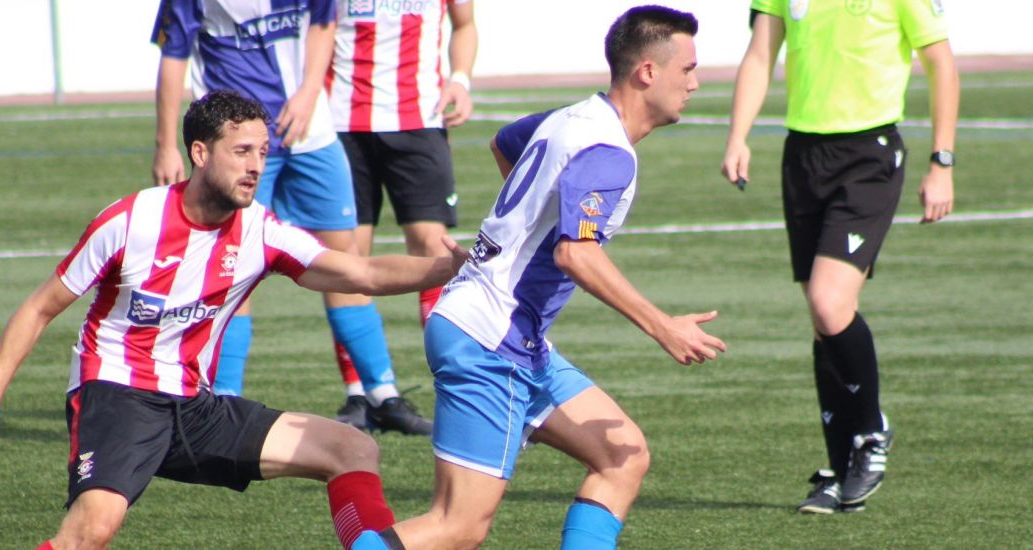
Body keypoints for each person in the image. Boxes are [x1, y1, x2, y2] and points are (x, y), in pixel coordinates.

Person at [0, 91, 467, 550]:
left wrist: (450, 268)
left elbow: (362, 273)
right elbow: (40, 307)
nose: (256, 166)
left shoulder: (261, 230)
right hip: (118, 393)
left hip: (195, 407)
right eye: (241, 151)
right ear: (199, 153)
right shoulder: (130, 220)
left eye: (262, 152)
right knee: (92, 530)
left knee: (352, 448)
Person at [351, 7, 725, 549]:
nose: (694, 83)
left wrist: (521, 232)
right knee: (457, 527)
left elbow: (505, 142)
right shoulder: (608, 152)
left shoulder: (574, 117)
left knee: (622, 456)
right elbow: (576, 255)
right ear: (648, 72)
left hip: (508, 335)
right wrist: (662, 325)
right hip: (490, 339)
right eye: (687, 69)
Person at [150, 0, 434, 435]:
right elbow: (174, 56)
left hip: (310, 135)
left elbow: (322, 23)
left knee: (345, 259)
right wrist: (166, 144)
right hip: (235, 146)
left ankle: (382, 395)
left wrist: (307, 92)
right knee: (230, 265)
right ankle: (220, 401)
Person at [721, 0, 958, 514]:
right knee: (822, 322)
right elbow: (761, 54)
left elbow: (941, 63)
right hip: (803, 157)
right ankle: (841, 468)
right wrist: (738, 135)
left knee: (829, 304)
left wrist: (941, 162)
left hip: (869, 154)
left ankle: (871, 430)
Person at [323, 0, 477, 431]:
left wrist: (461, 80)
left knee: (434, 249)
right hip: (339, 124)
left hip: (420, 119)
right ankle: (363, 393)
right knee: (346, 258)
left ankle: (457, 390)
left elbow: (465, 24)